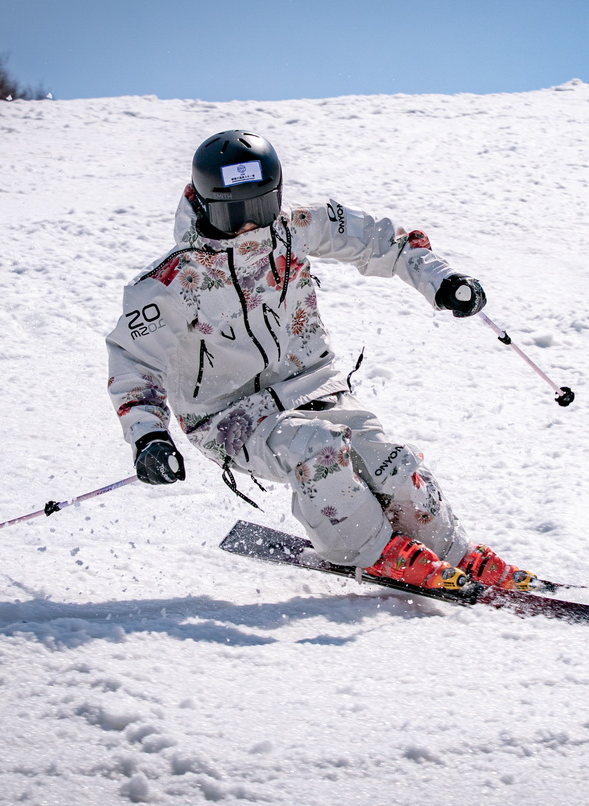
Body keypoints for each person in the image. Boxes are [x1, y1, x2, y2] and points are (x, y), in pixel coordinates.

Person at [106, 130, 533, 593]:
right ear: (206, 204)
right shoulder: (171, 280)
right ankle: (370, 552)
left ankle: (455, 554)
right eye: (234, 213)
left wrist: (442, 279)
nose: (251, 226)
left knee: (393, 459)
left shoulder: (296, 227)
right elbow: (133, 361)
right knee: (316, 447)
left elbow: (382, 242)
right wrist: (148, 436)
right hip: (226, 417)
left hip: (312, 388)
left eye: (261, 209)